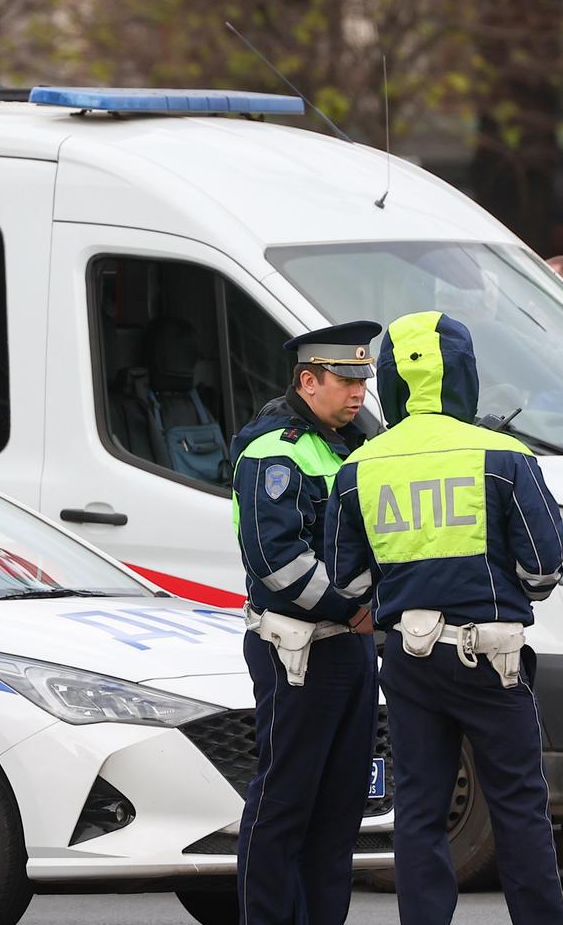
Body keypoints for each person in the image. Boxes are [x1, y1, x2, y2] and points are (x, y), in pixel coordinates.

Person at [323, 311, 563, 925]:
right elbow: (545, 567)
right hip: (492, 655)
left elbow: (344, 579)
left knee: (418, 808)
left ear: (389, 381)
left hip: (408, 657)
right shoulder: (504, 455)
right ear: (464, 376)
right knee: (517, 803)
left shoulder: (362, 465)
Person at [229, 321, 383, 925]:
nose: (357, 392)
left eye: (363, 379)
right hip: (299, 649)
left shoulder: (355, 442)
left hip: (350, 648)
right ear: (308, 380)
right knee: (285, 802)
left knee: (340, 807)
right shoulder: (275, 449)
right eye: (345, 380)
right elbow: (276, 560)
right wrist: (355, 609)